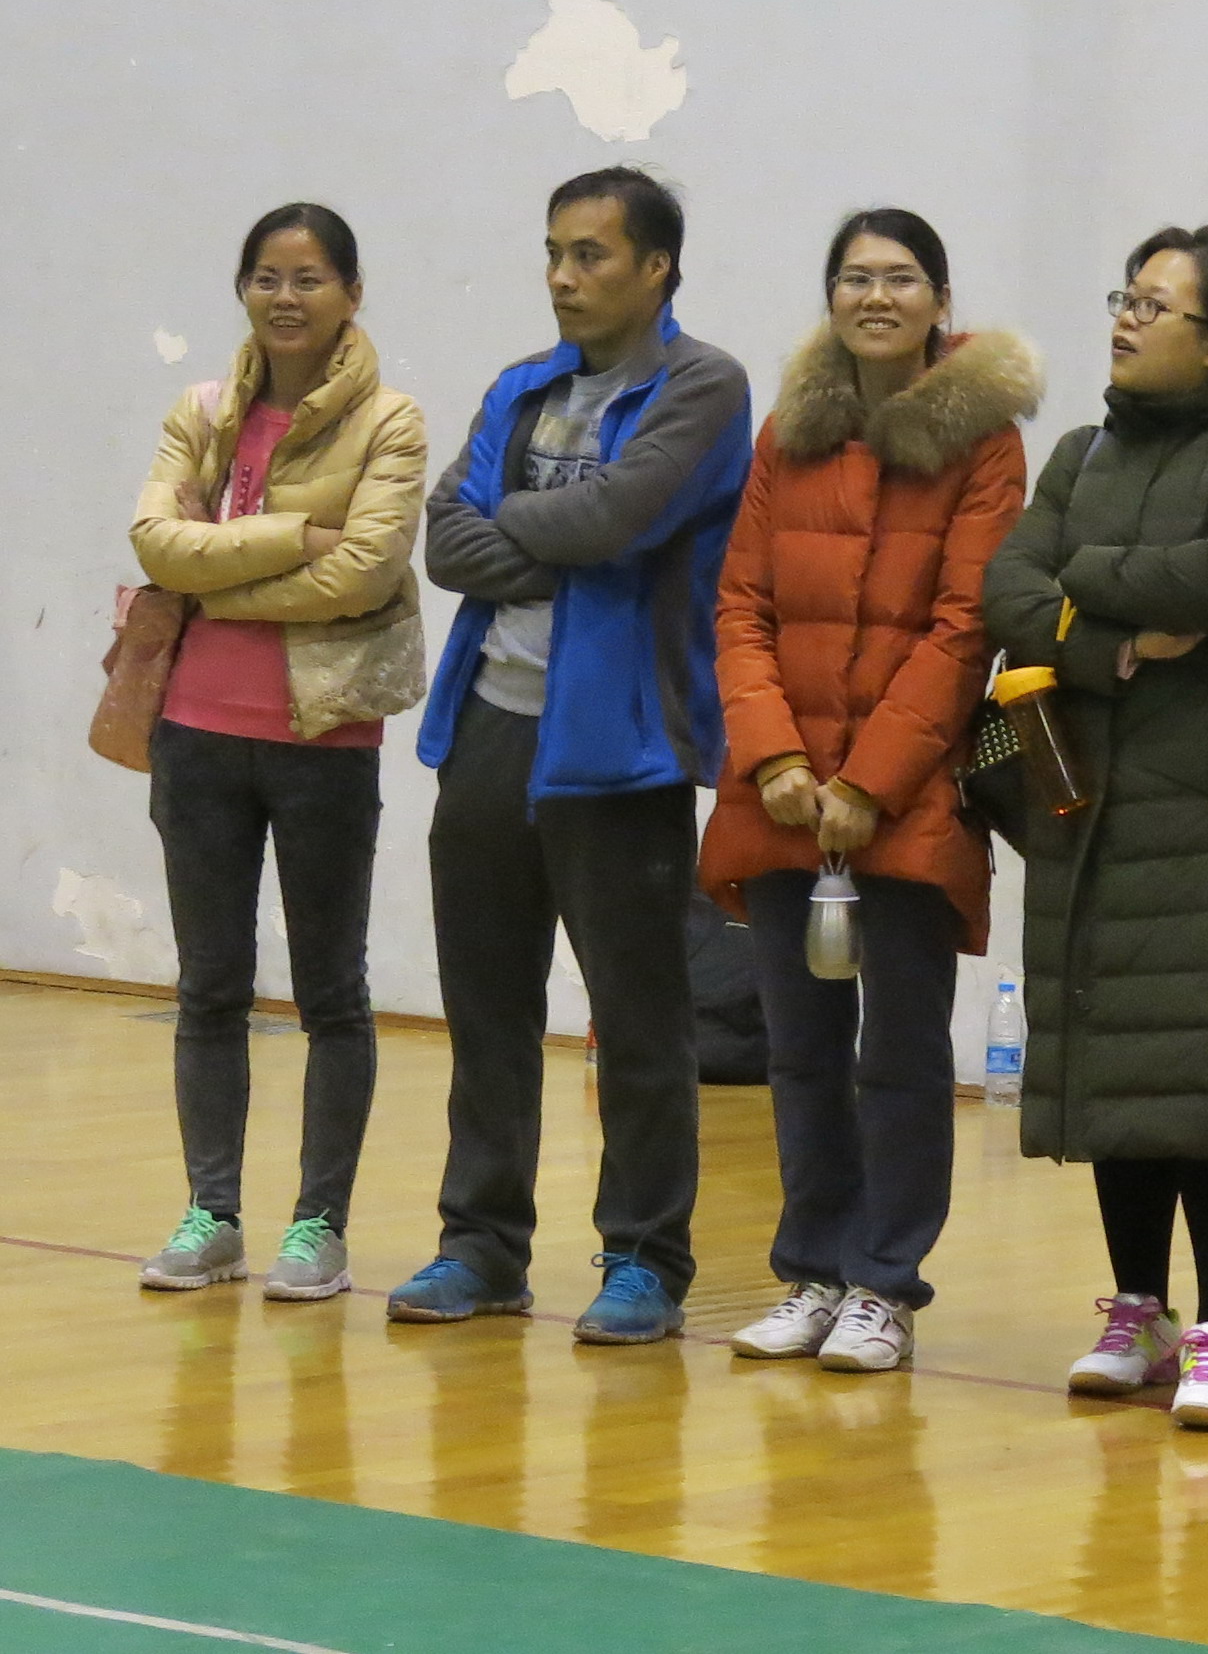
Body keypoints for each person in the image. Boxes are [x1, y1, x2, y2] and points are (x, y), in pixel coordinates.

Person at [390, 167, 753, 1346]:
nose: (562, 275)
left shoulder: (704, 385)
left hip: (621, 746)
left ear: (656, 266)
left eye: (589, 253)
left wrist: (537, 525)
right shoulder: (521, 384)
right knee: (487, 1006)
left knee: (639, 1020)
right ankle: (481, 1245)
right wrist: (563, 536)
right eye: (553, 251)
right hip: (491, 724)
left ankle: (645, 1257)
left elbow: (620, 515)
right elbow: (445, 540)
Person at [982, 223, 1208, 1428]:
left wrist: (1082, 576)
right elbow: (1007, 588)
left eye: (1153, 304)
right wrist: (1112, 643)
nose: (1125, 320)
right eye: (1123, 297)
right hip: (1094, 799)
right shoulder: (1082, 450)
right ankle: (1138, 1308)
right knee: (1119, 1058)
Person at [700, 209, 1039, 1375]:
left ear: (941, 299)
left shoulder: (984, 442)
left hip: (906, 800)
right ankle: (810, 1269)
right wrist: (777, 760)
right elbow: (740, 603)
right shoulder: (787, 431)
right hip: (784, 796)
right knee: (798, 1047)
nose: (875, 297)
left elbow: (963, 625)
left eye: (900, 278)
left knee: (898, 1052)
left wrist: (869, 780)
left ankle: (884, 1283)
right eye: (854, 277)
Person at [127, 204, 429, 1300]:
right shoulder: (202, 412)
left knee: (331, 989)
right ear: (243, 287)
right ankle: (211, 1213)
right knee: (209, 985)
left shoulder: (390, 422)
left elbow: (364, 573)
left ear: (351, 292)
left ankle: (318, 1226)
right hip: (195, 736)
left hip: (323, 739)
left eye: (309, 277)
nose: (285, 297)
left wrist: (218, 575)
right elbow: (156, 543)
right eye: (266, 275)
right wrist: (292, 538)